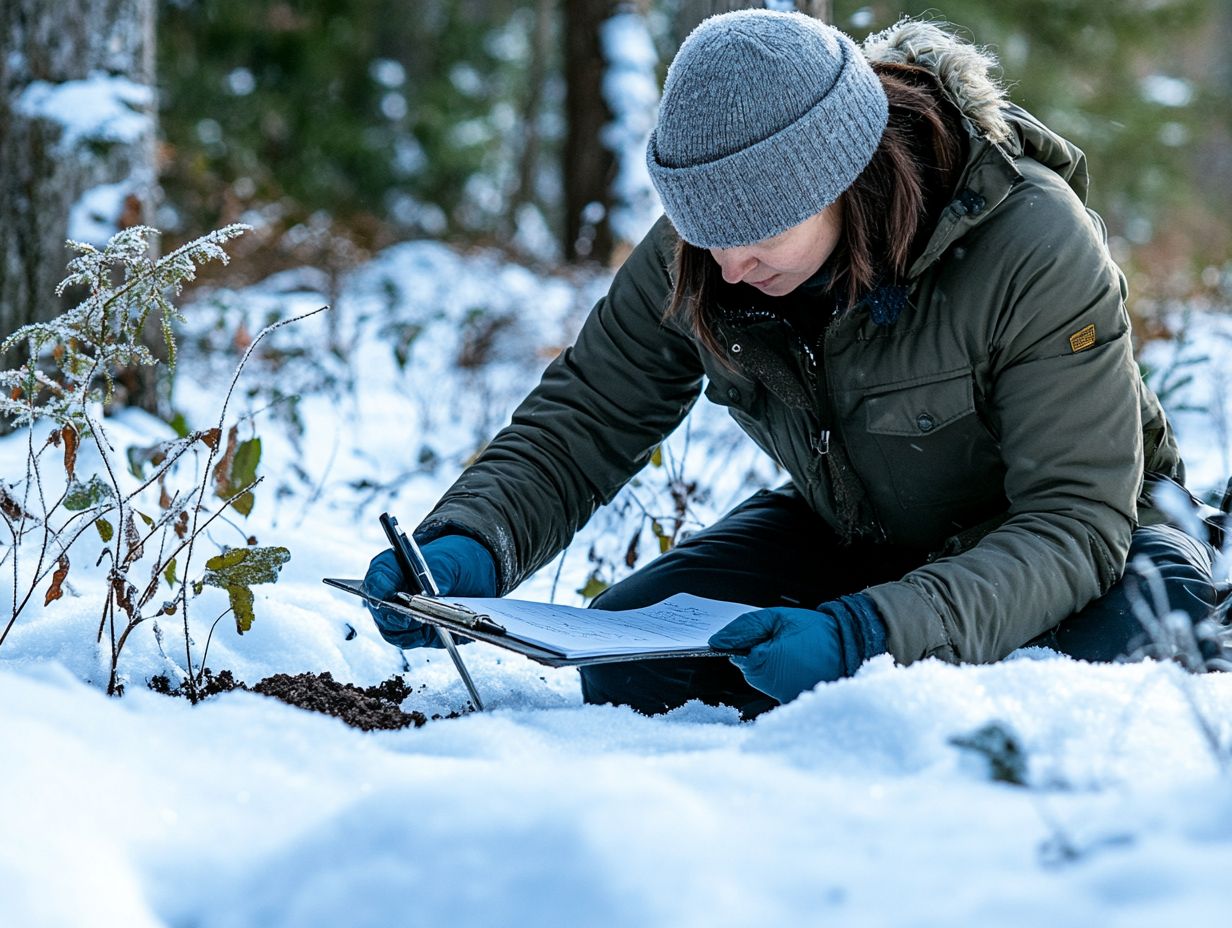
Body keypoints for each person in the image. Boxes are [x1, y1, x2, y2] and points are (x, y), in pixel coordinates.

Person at [364, 11, 1228, 717]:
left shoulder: (1031, 240)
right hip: (866, 536)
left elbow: (1074, 521)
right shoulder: (710, 244)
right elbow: (588, 414)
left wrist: (867, 637)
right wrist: (469, 542)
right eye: (708, 235)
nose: (731, 266)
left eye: (764, 235)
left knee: (1146, 635)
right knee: (632, 660)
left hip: (1084, 545)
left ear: (845, 179)